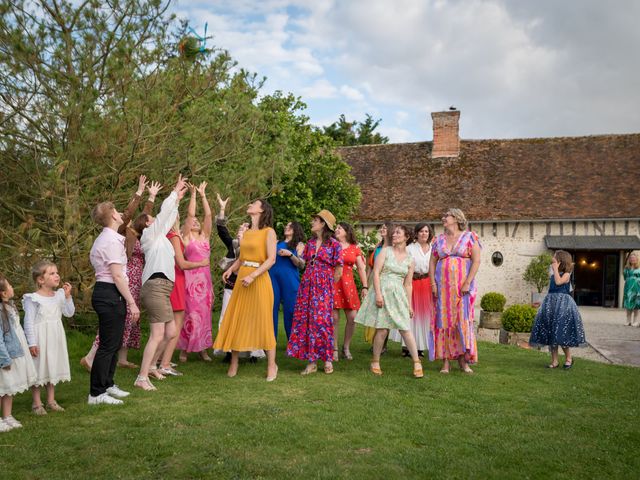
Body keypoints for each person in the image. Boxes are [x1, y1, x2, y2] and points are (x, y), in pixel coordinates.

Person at [80, 177, 160, 371]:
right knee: (118, 320)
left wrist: (151, 197)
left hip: (132, 278)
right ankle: (92, 357)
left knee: (128, 320)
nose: (122, 213)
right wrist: (141, 193)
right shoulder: (122, 233)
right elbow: (134, 213)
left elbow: (142, 218)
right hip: (125, 278)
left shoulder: (133, 232)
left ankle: (121, 358)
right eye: (117, 212)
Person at [134, 175, 190, 391]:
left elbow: (168, 217)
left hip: (163, 288)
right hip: (155, 286)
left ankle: (149, 368)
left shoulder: (160, 236)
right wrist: (174, 191)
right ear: (146, 224)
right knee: (158, 333)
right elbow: (163, 215)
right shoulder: (149, 235)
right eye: (151, 218)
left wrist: (177, 201)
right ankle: (141, 377)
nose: (154, 219)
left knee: (170, 332)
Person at [213, 199, 278, 381]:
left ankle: (272, 365)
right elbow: (241, 258)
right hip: (242, 278)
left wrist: (253, 275)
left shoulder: (269, 232)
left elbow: (271, 259)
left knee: (264, 320)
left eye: (254, 203)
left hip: (259, 279)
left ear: (262, 210)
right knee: (237, 319)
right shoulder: (247, 232)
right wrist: (230, 269)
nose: (249, 204)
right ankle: (234, 362)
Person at [88, 201, 140, 405]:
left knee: (114, 343)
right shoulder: (109, 241)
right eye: (116, 211)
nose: (120, 213)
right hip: (109, 293)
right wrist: (132, 303)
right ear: (112, 217)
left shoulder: (110, 238)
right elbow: (117, 276)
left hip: (111, 294)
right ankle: (96, 393)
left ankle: (108, 384)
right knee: (108, 345)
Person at [355, 225, 423, 378]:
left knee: (405, 328)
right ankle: (375, 361)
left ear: (406, 237)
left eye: (398, 233)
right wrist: (378, 295)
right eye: (394, 233)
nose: (394, 235)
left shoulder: (410, 260)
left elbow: (408, 284)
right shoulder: (385, 251)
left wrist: (409, 305)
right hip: (383, 292)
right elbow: (377, 273)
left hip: (398, 295)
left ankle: (417, 362)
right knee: (383, 329)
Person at [287, 210, 343, 375]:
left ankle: (327, 358)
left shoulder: (334, 244)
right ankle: (311, 362)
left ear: (323, 224)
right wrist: (295, 254)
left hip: (324, 287)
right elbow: (302, 264)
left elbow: (338, 271)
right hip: (307, 286)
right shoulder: (310, 243)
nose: (312, 223)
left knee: (323, 322)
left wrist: (327, 288)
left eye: (315, 220)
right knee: (308, 321)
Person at [429, 208, 481, 374]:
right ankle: (445, 361)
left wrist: (467, 282)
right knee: (443, 321)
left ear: (457, 218)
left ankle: (463, 360)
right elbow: (432, 262)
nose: (443, 218)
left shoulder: (470, 237)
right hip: (443, 288)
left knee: (462, 320)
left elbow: (476, 261)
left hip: (462, 288)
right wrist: (433, 284)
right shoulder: (439, 240)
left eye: (447, 216)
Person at [23, 260, 75, 412]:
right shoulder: (32, 298)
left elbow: (69, 312)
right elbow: (28, 322)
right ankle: (37, 403)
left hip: (55, 337)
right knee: (39, 367)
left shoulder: (59, 295)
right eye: (52, 273)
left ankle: (51, 400)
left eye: (57, 272)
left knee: (52, 365)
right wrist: (31, 342)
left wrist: (67, 297)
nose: (57, 275)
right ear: (40, 279)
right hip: (40, 338)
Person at [529, 250, 587, 369]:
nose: (552, 259)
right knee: (551, 333)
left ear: (560, 260)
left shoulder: (567, 274)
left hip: (563, 305)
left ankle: (569, 359)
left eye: (554, 257)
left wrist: (555, 269)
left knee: (561, 333)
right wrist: (540, 302)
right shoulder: (553, 274)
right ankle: (554, 361)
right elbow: (551, 291)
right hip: (551, 305)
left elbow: (559, 282)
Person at [177, 182, 214, 362]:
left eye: (197, 222)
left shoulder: (205, 236)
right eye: (193, 222)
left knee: (204, 315)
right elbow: (191, 214)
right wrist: (193, 195)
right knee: (190, 314)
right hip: (190, 282)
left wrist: (203, 195)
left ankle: (203, 349)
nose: (196, 221)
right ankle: (184, 350)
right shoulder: (186, 237)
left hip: (205, 283)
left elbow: (208, 215)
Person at [389, 223, 433, 357]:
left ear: (429, 233)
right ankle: (406, 347)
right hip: (411, 282)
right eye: (421, 231)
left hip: (427, 283)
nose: (424, 234)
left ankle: (419, 347)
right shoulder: (410, 248)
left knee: (424, 317)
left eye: (426, 231)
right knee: (410, 314)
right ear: (416, 233)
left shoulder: (433, 249)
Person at [0, 274, 37, 431]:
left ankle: (7, 416)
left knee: (10, 386)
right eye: (9, 286)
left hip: (15, 352)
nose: (12, 288)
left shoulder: (9, 306)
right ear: (3, 293)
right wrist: (4, 359)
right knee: (1, 387)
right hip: (5, 355)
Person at [332, 222, 367, 360]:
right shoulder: (331, 246)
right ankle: (334, 348)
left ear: (347, 231)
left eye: (340, 228)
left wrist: (364, 286)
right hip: (333, 282)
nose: (336, 230)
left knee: (352, 318)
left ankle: (346, 347)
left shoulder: (354, 248)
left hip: (348, 285)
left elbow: (361, 268)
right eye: (336, 228)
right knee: (334, 318)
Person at [270, 221, 306, 340]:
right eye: (286, 225)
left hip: (290, 280)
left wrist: (290, 254)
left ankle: (293, 342)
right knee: (271, 309)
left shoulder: (299, 245)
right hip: (273, 278)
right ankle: (270, 342)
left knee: (291, 310)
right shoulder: (276, 243)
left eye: (290, 226)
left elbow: (301, 265)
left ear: (296, 229)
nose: (287, 227)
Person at [364, 223, 392, 346]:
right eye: (382, 228)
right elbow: (370, 266)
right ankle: (376, 343)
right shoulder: (378, 247)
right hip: (374, 281)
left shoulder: (393, 247)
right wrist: (366, 284)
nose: (382, 229)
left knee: (385, 314)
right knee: (375, 313)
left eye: (385, 228)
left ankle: (383, 344)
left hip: (387, 282)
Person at [623, 252, 640, 327]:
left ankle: (635, 321)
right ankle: (628, 320)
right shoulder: (626, 268)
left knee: (636, 305)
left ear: (637, 259)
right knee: (628, 304)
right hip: (628, 288)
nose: (632, 260)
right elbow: (624, 278)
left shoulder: (639, 268)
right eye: (631, 258)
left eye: (634, 258)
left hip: (637, 288)